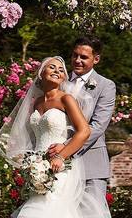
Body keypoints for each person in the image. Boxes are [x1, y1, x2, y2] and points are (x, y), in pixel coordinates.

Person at [0, 56, 108, 218]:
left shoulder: (66, 99)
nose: (57, 71)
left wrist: (60, 156)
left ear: (64, 77)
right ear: (41, 73)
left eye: (61, 70)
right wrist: (30, 161)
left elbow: (84, 131)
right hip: (38, 167)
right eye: (52, 67)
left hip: (59, 167)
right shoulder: (36, 103)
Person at [48, 37, 116, 217]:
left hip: (90, 163)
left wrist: (66, 148)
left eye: (84, 57)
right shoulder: (60, 81)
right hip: (56, 163)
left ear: (96, 59)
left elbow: (98, 126)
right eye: (75, 55)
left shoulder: (106, 86)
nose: (77, 60)